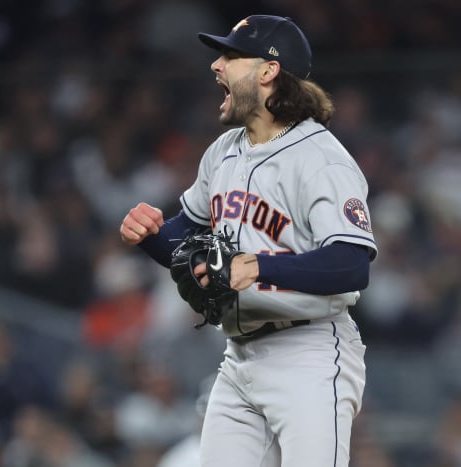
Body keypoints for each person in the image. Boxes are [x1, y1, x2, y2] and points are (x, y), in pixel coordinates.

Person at [120, 14, 377, 467]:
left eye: (231, 56)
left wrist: (258, 266)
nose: (216, 66)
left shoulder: (321, 158)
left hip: (310, 354)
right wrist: (153, 235)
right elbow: (190, 241)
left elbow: (352, 263)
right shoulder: (223, 152)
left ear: (268, 71)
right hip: (238, 357)